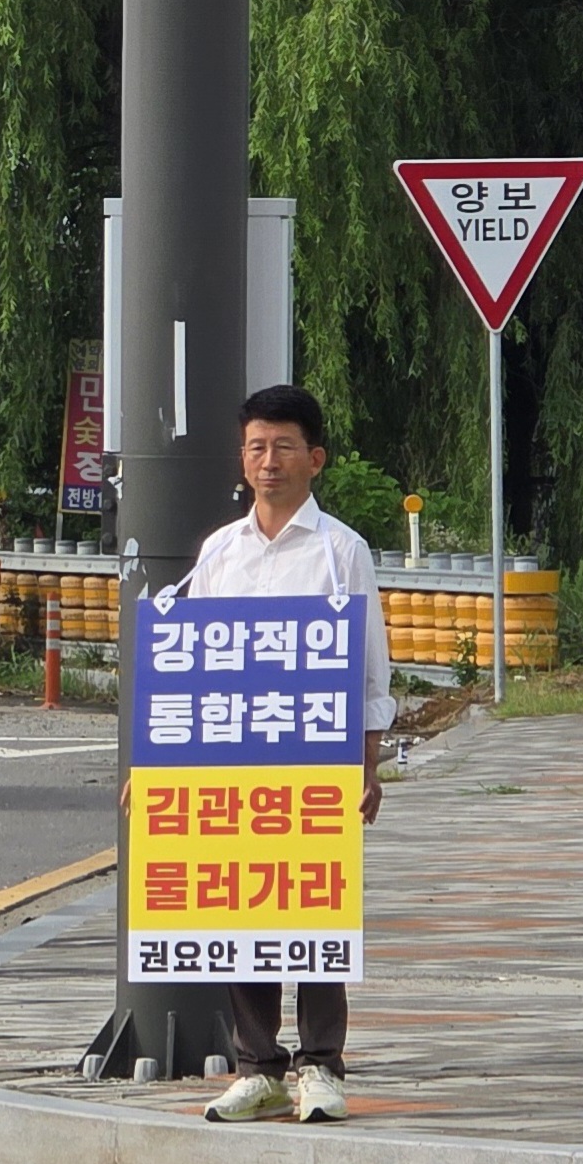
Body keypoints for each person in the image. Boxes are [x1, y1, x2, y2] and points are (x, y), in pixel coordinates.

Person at [197, 384, 395, 1125]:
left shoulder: (341, 550)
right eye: (255, 446)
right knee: (238, 907)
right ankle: (257, 1066)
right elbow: (191, 664)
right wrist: (160, 777)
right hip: (234, 762)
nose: (267, 460)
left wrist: (365, 766)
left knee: (314, 908)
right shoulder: (219, 552)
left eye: (282, 445)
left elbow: (369, 668)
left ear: (314, 457)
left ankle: (319, 1065)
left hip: (315, 762)